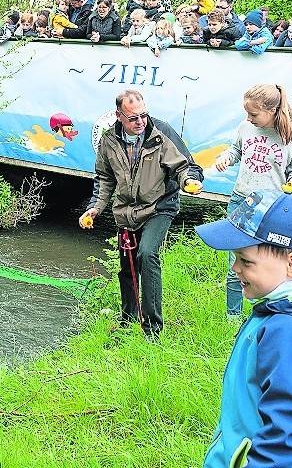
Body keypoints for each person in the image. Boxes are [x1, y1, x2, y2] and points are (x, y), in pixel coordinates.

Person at [194, 190, 292, 468]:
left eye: (245, 261)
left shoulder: (288, 329)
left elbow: (286, 432)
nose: (235, 268)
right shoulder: (279, 311)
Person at [79, 89, 203, 338]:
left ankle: (153, 329)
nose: (140, 122)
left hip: (159, 206)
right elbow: (104, 178)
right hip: (127, 211)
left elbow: (186, 166)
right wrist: (95, 207)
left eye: (144, 115)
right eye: (133, 117)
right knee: (127, 267)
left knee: (147, 255)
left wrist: (189, 180)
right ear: (119, 115)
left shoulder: (162, 132)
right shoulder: (109, 141)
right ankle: (128, 318)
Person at [214, 84, 292, 317]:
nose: (249, 118)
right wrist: (226, 157)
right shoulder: (246, 127)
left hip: (271, 211)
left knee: (266, 267)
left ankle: (267, 311)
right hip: (241, 203)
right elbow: (236, 150)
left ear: (273, 110)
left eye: (254, 114)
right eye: (247, 113)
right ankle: (233, 318)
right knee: (234, 267)